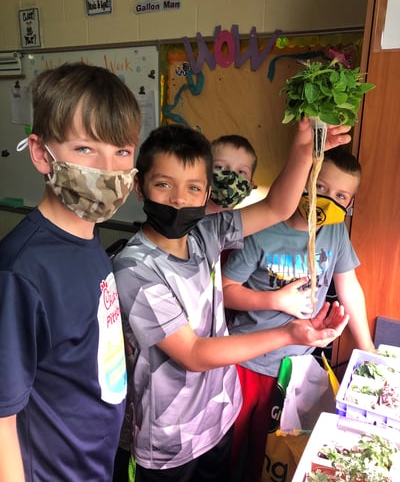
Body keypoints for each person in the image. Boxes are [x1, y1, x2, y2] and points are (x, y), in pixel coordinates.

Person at [113, 121, 352, 482]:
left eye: (193, 188)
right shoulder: (134, 270)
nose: (179, 199)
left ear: (206, 191)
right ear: (139, 187)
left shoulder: (206, 233)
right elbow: (193, 353)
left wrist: (304, 150)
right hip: (167, 440)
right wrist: (289, 334)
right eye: (163, 184)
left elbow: (276, 207)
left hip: (218, 414)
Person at [0, 62, 141, 481]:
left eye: (122, 151)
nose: (109, 168)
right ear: (42, 154)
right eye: (85, 149)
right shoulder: (21, 271)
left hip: (93, 462)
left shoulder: (88, 240)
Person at [222, 147, 376, 482]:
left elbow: (349, 287)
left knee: (271, 456)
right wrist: (276, 300)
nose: (327, 199)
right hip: (246, 363)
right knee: (231, 451)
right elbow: (225, 288)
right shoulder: (264, 230)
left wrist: (368, 351)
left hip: (296, 369)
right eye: (320, 188)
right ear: (303, 183)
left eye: (340, 195)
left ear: (349, 206)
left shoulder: (334, 232)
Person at [206, 134, 258, 214]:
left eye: (241, 172)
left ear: (250, 187)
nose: (230, 177)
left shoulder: (240, 224)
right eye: (220, 167)